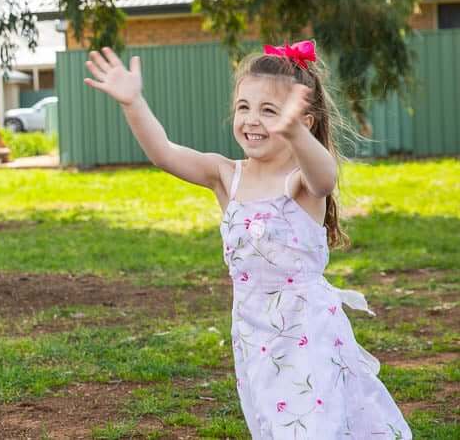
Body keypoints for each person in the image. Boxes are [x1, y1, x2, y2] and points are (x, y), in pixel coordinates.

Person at [84, 40, 411, 439]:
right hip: (253, 335)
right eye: (244, 107)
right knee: (275, 425)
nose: (252, 120)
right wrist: (133, 103)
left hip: (307, 331)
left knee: (311, 426)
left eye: (269, 110)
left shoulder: (301, 182)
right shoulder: (226, 175)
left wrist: (293, 135)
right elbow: (164, 154)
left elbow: (326, 176)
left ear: (302, 122)